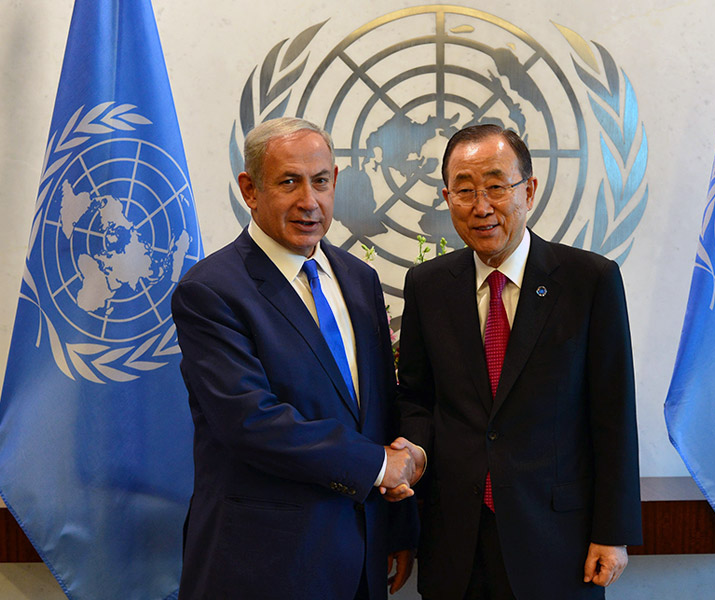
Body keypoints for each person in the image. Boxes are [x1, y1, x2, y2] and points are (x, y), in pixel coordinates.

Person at [172, 117, 420, 600]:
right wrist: (377, 466)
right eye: (289, 182)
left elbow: (380, 411)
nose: (310, 200)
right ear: (250, 189)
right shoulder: (211, 290)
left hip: (362, 557)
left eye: (321, 181)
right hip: (264, 566)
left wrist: (397, 528)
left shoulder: (358, 279)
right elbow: (251, 422)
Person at [397, 123, 642, 599]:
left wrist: (613, 531)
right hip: (455, 538)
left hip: (558, 539)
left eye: (495, 186)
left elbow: (613, 415)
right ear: (447, 198)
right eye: (464, 190)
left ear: (528, 190)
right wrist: (414, 456)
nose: (481, 206)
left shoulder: (588, 281)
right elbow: (417, 399)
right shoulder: (428, 285)